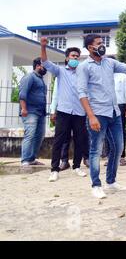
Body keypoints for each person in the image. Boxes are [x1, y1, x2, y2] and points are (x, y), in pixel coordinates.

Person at [77, 34, 126, 199]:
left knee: (118, 147)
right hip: (97, 114)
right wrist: (91, 116)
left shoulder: (109, 62)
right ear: (90, 47)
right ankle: (96, 185)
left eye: (103, 43)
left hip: (114, 112)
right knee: (95, 150)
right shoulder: (84, 67)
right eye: (99, 43)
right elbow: (81, 93)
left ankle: (111, 181)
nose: (102, 46)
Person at [40, 38, 89, 182]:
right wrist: (43, 47)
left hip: (80, 112)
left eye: (77, 56)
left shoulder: (82, 73)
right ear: (67, 58)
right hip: (64, 111)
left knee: (80, 140)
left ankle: (77, 166)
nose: (75, 58)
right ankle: (54, 169)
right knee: (59, 141)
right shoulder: (60, 71)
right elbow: (45, 63)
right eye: (72, 56)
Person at [49, 77, 90, 171]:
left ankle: (83, 160)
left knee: (81, 137)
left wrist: (89, 110)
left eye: (76, 60)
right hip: (64, 111)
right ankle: (64, 161)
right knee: (63, 137)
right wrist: (52, 110)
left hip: (79, 111)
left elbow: (87, 93)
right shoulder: (60, 76)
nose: (74, 61)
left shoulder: (82, 76)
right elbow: (56, 94)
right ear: (67, 61)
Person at [103, 56, 126, 167]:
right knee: (106, 132)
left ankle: (121, 157)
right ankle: (109, 156)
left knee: (119, 132)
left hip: (120, 107)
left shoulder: (123, 76)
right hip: (105, 106)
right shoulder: (102, 76)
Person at [19, 57, 48, 167]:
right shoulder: (29, 77)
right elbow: (22, 94)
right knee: (30, 135)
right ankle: (25, 160)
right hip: (30, 111)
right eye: (44, 65)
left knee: (39, 135)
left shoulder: (41, 79)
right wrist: (24, 108)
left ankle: (32, 159)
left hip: (41, 112)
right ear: (38, 66)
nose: (46, 68)